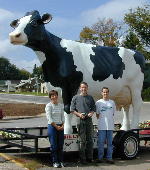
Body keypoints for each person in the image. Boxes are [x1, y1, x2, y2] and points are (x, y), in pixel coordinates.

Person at [70, 82, 96, 164]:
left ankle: (90, 157)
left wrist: (91, 113)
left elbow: (93, 108)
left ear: (87, 88)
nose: (83, 89)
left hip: (88, 120)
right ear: (80, 88)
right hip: (80, 119)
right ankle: (82, 159)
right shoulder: (75, 98)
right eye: (82, 87)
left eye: (85, 87)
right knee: (82, 140)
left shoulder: (90, 98)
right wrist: (79, 114)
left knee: (90, 139)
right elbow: (72, 110)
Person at [96, 87, 116, 164]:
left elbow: (113, 113)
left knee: (110, 143)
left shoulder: (112, 102)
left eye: (107, 92)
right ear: (102, 93)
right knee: (101, 142)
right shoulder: (98, 102)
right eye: (104, 92)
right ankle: (100, 158)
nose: (105, 93)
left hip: (110, 126)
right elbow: (97, 114)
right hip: (102, 126)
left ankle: (109, 158)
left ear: (108, 93)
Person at [45, 90, 65, 168]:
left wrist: (63, 125)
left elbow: (63, 116)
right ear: (50, 97)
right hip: (52, 127)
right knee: (54, 145)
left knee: (60, 145)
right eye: (52, 96)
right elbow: (49, 118)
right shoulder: (48, 106)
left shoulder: (61, 105)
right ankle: (55, 162)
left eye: (55, 95)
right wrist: (56, 126)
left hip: (61, 126)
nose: (54, 97)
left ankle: (61, 161)